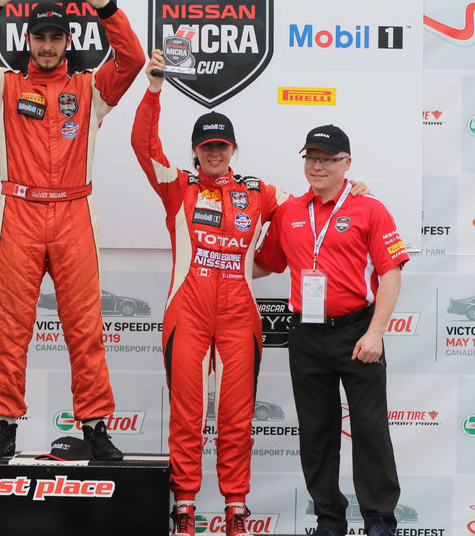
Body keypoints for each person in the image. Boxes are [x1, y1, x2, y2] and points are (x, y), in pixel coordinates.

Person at [0, 0, 145, 460]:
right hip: (19, 210)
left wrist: (104, 5)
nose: (48, 46)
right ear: (28, 40)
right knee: (12, 326)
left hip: (75, 209)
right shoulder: (3, 88)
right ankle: (4, 425)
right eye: (40, 37)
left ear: (68, 41)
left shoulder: (91, 89)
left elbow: (134, 60)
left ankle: (95, 425)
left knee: (85, 324)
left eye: (57, 37)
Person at [131, 50, 291, 536]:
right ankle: (184, 505)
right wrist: (155, 88)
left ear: (234, 149)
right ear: (195, 150)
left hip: (241, 316)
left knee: (237, 416)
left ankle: (236, 506)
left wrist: (352, 187)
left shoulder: (259, 192)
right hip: (189, 314)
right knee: (188, 413)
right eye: (207, 146)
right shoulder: (177, 186)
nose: (215, 153)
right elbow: (143, 145)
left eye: (222, 146)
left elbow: (297, 224)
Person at [253, 125, 407, 536]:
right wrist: (215, 259)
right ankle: (329, 519)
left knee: (370, 429)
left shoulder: (369, 207)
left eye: (326, 158)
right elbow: (265, 263)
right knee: (317, 432)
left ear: (346, 164)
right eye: (310, 158)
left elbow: (390, 274)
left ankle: (378, 519)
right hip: (305, 334)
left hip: (358, 332)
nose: (316, 165)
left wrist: (375, 333)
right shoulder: (288, 212)